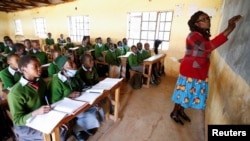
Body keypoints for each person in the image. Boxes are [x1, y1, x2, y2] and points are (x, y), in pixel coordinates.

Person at [170, 11, 242, 125]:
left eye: (207, 18)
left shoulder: (202, 36)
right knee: (183, 93)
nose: (207, 21)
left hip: (196, 70)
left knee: (187, 93)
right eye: (203, 19)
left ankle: (181, 111)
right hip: (190, 71)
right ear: (196, 24)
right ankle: (174, 113)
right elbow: (206, 47)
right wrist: (228, 29)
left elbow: (192, 52)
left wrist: (183, 59)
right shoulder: (193, 35)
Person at [7, 55, 66, 141]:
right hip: (26, 126)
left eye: (40, 65)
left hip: (41, 117)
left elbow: (46, 99)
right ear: (24, 69)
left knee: (63, 125)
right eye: (35, 66)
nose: (40, 68)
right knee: (58, 132)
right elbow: (17, 120)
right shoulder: (15, 93)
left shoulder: (40, 82)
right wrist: (36, 112)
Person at [48, 55, 101, 140]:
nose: (75, 65)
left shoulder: (73, 76)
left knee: (93, 106)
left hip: (76, 101)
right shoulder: (56, 81)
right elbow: (55, 102)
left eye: (73, 62)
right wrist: (67, 96)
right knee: (82, 113)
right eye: (71, 64)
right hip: (64, 107)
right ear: (63, 69)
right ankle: (76, 130)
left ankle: (85, 127)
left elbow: (82, 87)